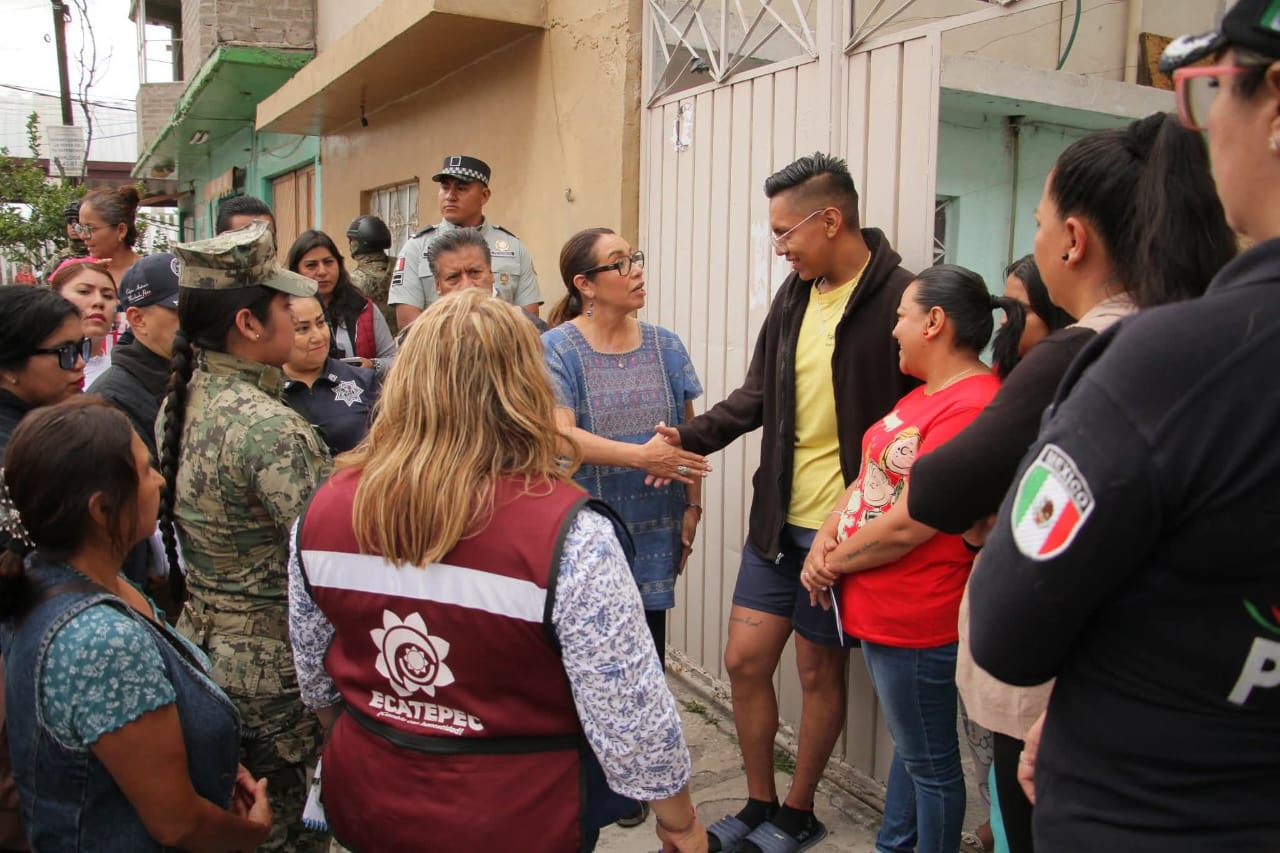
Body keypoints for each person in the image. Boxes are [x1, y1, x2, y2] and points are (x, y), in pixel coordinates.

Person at [967, 7, 1280, 848]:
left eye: (1210, 93)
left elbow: (1008, 626)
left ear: (1276, 104)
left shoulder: (1172, 363)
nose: (1207, 127)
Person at [910, 114, 1236, 853]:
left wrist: (992, 511)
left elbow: (939, 488)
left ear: (1073, 239)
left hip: (1055, 698)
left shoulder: (1084, 352)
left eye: (1038, 220)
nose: (1035, 239)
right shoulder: (1209, 334)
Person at [288, 289, 707, 853]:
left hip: (368, 797)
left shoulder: (321, 513)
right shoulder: (570, 535)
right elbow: (628, 710)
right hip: (517, 817)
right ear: (526, 389)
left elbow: (316, 676)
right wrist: (678, 821)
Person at [658, 152, 918, 852]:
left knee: (815, 670)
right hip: (777, 523)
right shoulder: (796, 294)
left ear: (830, 219)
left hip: (844, 535)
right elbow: (757, 397)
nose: (778, 248)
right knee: (745, 659)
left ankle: (798, 812)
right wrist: (685, 438)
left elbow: (920, 422)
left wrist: (873, 516)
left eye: (784, 232)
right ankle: (758, 800)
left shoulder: (903, 297)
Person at [0, 397, 272, 852]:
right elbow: (176, 822)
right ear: (102, 509)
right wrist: (252, 833)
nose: (160, 480)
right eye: (147, 471)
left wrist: (215, 763)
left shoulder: (62, 575)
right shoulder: (100, 641)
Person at [799, 265, 1006, 853]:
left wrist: (833, 563)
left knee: (932, 767)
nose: (894, 330)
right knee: (913, 751)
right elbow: (867, 482)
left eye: (901, 317)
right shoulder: (923, 397)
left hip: (919, 616)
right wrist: (824, 538)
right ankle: (895, 844)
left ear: (934, 322)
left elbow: (912, 522)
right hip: (887, 611)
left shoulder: (971, 406)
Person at [157, 220, 331, 853]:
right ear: (250, 324)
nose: (298, 316)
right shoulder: (271, 429)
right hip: (277, 679)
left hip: (204, 653)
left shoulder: (184, 398)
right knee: (286, 834)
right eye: (287, 306)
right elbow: (328, 564)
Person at [389, 154, 541, 328]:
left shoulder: (513, 248)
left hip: (501, 350)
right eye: (445, 188)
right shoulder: (416, 248)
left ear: (484, 195)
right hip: (438, 352)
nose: (450, 196)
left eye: (461, 188)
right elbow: (409, 322)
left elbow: (528, 318)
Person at [88, 253, 181, 460]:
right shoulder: (110, 400)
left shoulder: (197, 372)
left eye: (196, 308)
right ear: (137, 319)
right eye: (179, 310)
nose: (193, 320)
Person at [287, 230, 396, 377]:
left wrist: (373, 365)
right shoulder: (282, 312)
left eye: (328, 262)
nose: (322, 271)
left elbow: (394, 361)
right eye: (311, 265)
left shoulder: (363, 309)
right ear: (296, 271)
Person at [282, 295, 378, 455]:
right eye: (302, 329)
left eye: (320, 323)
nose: (318, 337)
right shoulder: (266, 391)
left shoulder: (363, 380)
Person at [428, 227, 549, 331]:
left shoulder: (531, 329)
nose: (467, 286)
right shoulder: (422, 337)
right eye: (453, 277)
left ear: (491, 273)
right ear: (438, 285)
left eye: (475, 272)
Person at [48, 258, 118, 387]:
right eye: (84, 292)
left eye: (108, 295)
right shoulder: (35, 372)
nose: (99, 301)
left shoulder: (124, 375)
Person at [77, 186, 142, 286]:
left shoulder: (150, 273)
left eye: (90, 228)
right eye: (81, 228)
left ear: (121, 230)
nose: (83, 236)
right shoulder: (77, 274)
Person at [346, 214, 397, 334]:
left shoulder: (352, 281)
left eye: (352, 241)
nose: (350, 245)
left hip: (371, 346)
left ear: (359, 244)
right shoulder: (402, 267)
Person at [40, 199, 88, 286]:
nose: (73, 226)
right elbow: (45, 289)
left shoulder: (101, 255)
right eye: (69, 222)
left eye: (78, 221)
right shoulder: (58, 259)